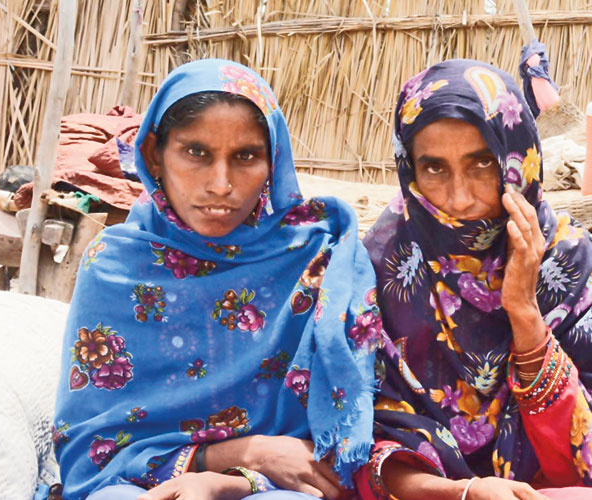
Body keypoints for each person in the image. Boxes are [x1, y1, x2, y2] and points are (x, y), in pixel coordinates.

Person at [47, 59, 380, 500]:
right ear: (153, 155)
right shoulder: (118, 265)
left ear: (273, 160)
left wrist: (243, 479)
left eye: (246, 156)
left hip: (281, 484)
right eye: (196, 153)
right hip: (145, 480)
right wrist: (239, 455)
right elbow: (91, 454)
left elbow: (336, 446)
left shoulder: (317, 256)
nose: (221, 184)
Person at [359, 59, 592, 500]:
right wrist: (465, 492)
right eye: (434, 168)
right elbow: (361, 447)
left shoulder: (573, 263)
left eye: (482, 165)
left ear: (519, 160)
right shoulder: (385, 265)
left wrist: (525, 313)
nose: (459, 198)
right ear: (408, 168)